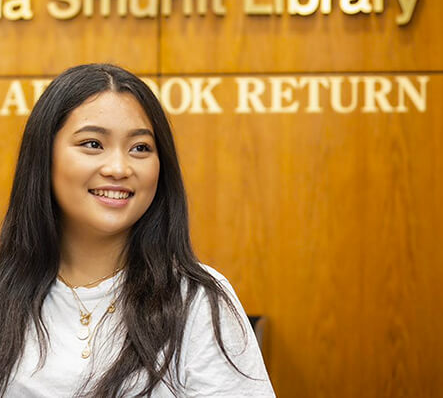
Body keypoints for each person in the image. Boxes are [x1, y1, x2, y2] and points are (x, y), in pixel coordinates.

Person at [0, 64, 275, 397]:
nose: (118, 168)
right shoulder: (7, 290)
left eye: (140, 148)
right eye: (92, 144)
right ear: (45, 157)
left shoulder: (197, 299)